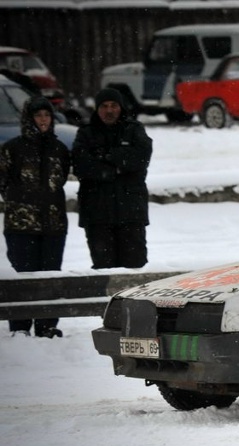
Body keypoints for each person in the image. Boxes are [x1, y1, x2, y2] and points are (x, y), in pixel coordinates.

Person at [1, 97, 70, 337]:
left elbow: (60, 181)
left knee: (50, 276)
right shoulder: (12, 148)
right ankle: (19, 329)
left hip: (54, 225)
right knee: (23, 277)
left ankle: (47, 327)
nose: (43, 120)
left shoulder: (59, 149)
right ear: (29, 119)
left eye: (47, 115)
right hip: (20, 226)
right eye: (38, 115)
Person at [72, 87, 153, 269]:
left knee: (135, 269)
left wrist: (107, 155)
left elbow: (141, 158)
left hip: (131, 213)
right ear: (97, 109)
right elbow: (81, 165)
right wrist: (115, 169)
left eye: (114, 106)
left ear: (121, 107)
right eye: (104, 106)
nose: (109, 111)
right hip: (97, 214)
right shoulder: (86, 133)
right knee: (104, 271)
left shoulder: (134, 130)